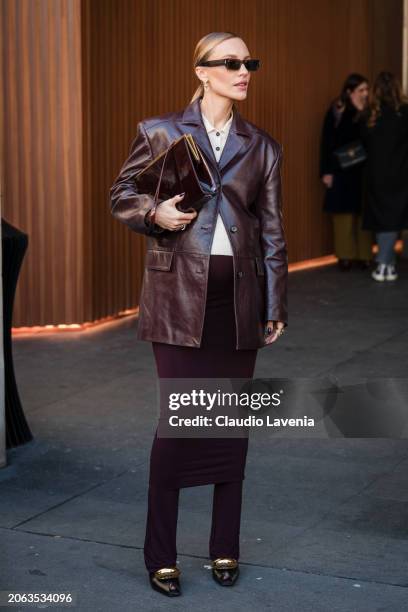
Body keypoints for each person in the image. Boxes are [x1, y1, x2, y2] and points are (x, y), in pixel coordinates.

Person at [109, 31, 288, 597]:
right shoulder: (160, 130)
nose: (243, 71)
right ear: (203, 72)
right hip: (177, 297)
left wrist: (275, 301)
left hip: (239, 300)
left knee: (231, 426)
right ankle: (160, 553)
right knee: (180, 423)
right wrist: (153, 213)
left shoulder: (262, 145)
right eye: (231, 63)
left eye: (248, 63)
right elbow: (121, 195)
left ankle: (224, 546)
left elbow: (273, 229)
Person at [320, 73, 373, 270]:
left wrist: (364, 114)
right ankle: (345, 256)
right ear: (349, 92)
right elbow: (327, 142)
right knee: (343, 214)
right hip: (341, 170)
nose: (366, 94)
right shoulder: (338, 110)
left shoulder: (370, 112)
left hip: (364, 171)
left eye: (367, 90)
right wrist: (326, 171)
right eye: (361, 90)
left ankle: (365, 255)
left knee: (363, 214)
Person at [360, 71, 408, 282]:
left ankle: (384, 263)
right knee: (394, 218)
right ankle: (385, 263)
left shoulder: (370, 113)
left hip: (376, 175)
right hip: (401, 174)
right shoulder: (405, 112)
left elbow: (362, 144)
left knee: (382, 219)